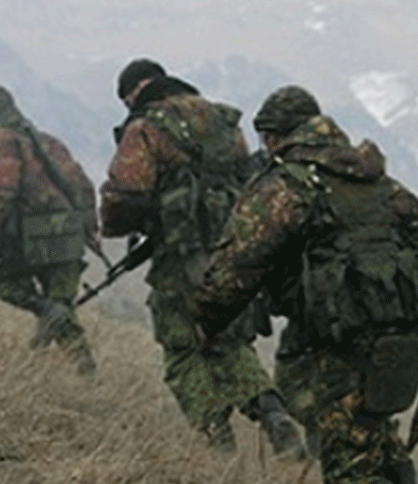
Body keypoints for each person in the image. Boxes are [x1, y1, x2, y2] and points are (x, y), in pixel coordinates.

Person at [191, 85, 418, 484]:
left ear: (274, 138)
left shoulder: (287, 187)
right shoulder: (378, 182)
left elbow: (236, 267)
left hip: (345, 341)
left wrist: (207, 320)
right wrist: (396, 301)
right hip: (404, 335)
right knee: (373, 427)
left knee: (346, 464)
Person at [98, 58, 302, 457]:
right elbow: (249, 182)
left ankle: (217, 440)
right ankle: (273, 412)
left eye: (127, 100)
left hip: (181, 257)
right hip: (233, 253)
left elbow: (126, 191)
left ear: (137, 90)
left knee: (181, 348)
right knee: (229, 342)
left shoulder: (146, 127)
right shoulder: (224, 122)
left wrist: (122, 225)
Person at [0, 85, 99, 376]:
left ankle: (42, 310)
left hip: (33, 234)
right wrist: (90, 228)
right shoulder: (47, 142)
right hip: (69, 233)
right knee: (63, 306)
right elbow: (82, 185)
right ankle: (86, 372)